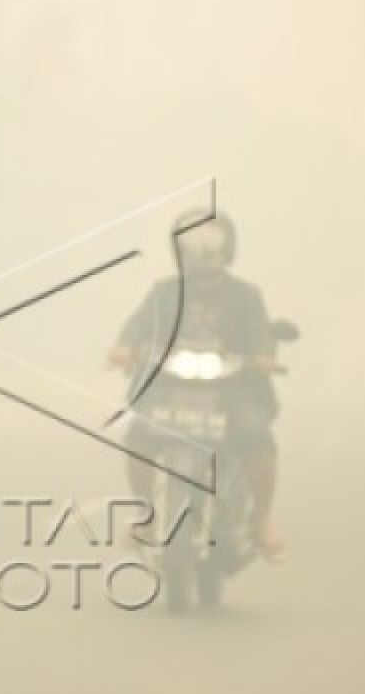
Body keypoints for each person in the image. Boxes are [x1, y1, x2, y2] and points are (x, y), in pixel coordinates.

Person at [106, 209, 288, 563]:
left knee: (258, 436)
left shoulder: (246, 296)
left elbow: (261, 336)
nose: (203, 252)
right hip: (169, 387)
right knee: (138, 433)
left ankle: (261, 518)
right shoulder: (163, 293)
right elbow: (138, 326)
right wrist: (123, 348)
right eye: (193, 243)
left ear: (228, 248)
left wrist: (264, 356)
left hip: (232, 391)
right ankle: (147, 513)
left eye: (212, 243)